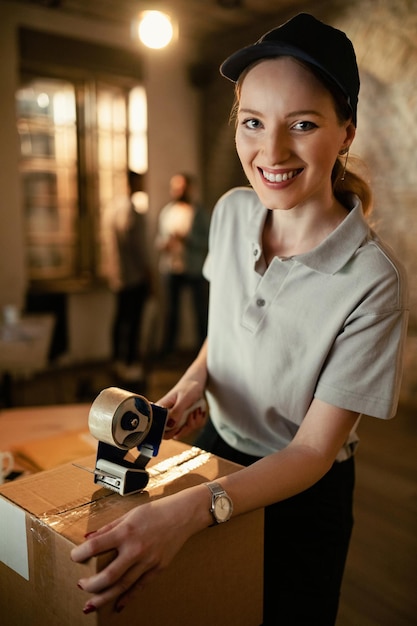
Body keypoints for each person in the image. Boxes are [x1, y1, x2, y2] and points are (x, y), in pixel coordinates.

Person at [71, 14, 409, 625]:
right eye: (253, 123)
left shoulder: (372, 280)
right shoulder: (229, 214)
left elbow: (310, 450)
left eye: (302, 125)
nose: (271, 152)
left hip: (300, 489)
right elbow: (224, 326)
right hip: (212, 449)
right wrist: (198, 379)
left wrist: (192, 510)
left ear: (346, 132)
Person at [156, 173, 209, 356]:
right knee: (170, 313)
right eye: (175, 187)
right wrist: (165, 244)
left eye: (181, 187)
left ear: (189, 188)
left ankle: (204, 353)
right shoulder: (167, 212)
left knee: (201, 313)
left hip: (194, 268)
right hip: (171, 268)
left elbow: (208, 240)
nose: (177, 191)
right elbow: (160, 239)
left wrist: (187, 239)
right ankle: (168, 352)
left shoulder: (199, 213)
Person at [108, 170, 151, 383]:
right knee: (133, 321)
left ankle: (118, 361)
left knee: (121, 319)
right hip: (133, 276)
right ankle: (130, 364)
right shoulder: (130, 210)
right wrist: (148, 271)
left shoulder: (112, 209)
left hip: (119, 275)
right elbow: (137, 247)